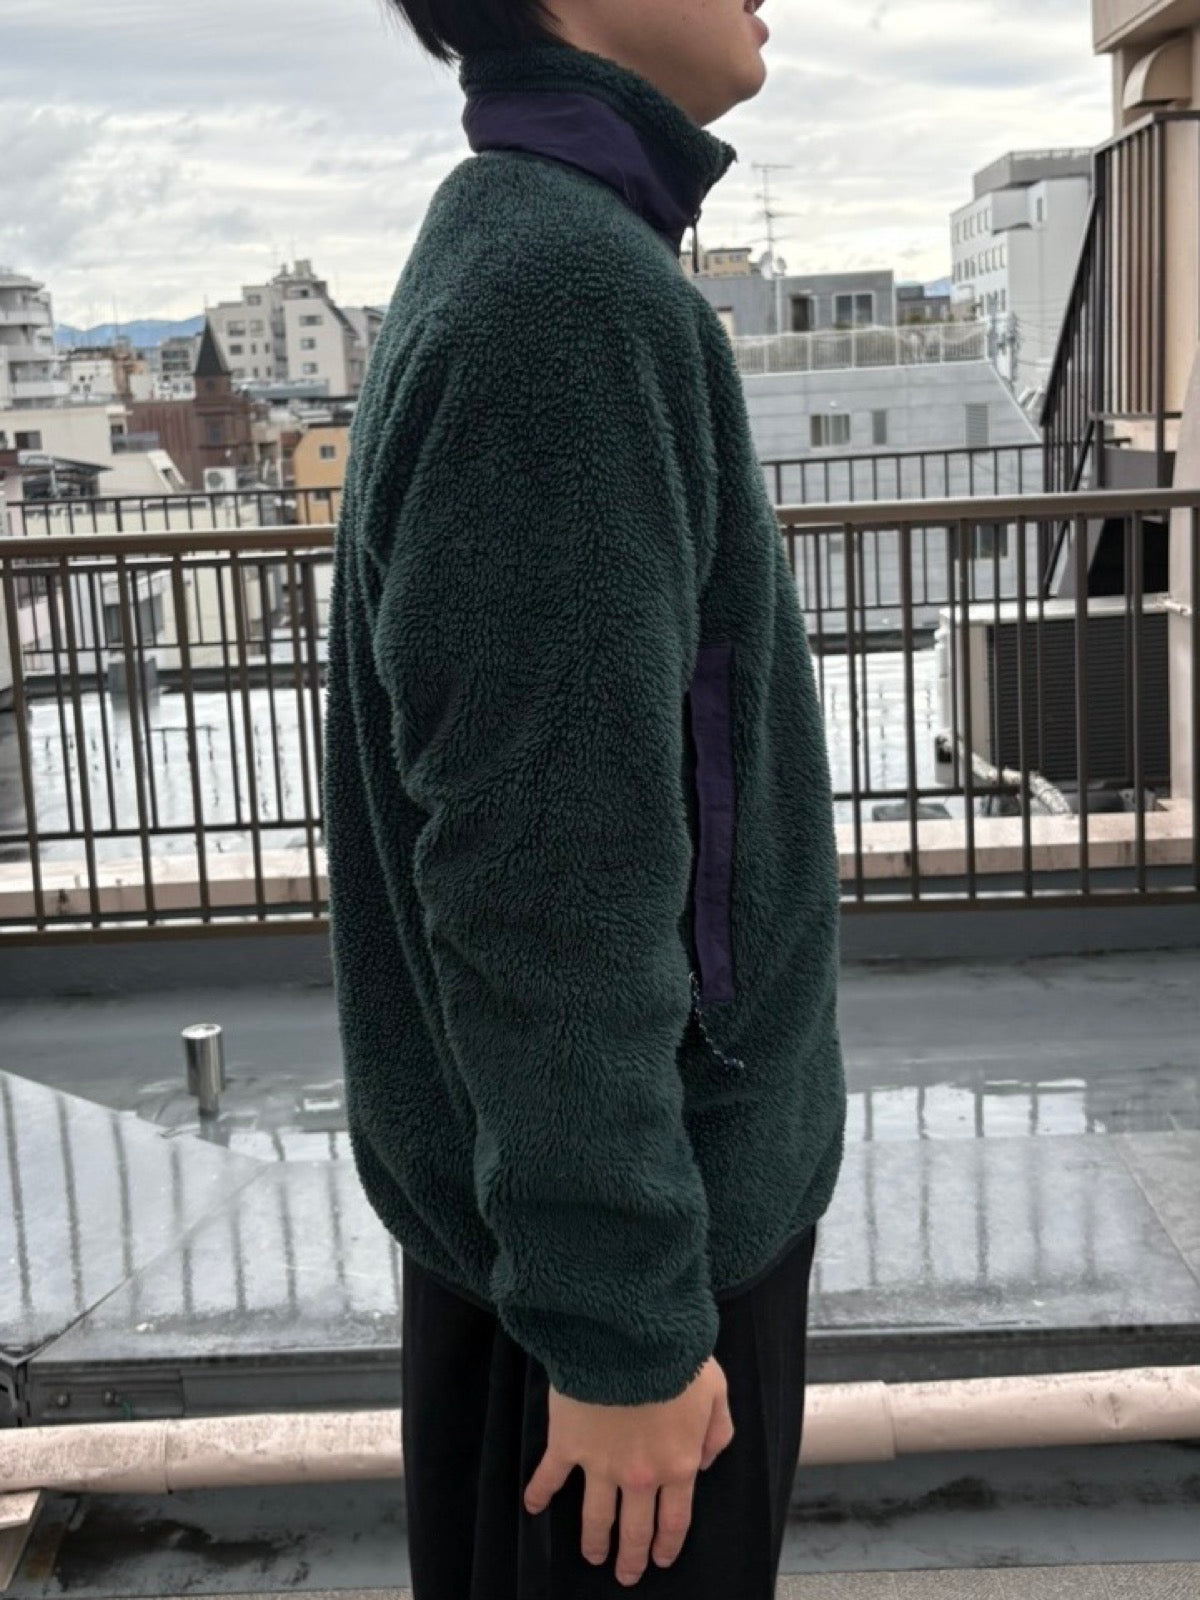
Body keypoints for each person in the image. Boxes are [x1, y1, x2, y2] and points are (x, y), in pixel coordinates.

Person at [321, 0, 848, 1592]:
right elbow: (544, 876)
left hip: (595, 1233)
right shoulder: (560, 301)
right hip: (628, 1271)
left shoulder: (535, 247)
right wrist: (619, 1325)